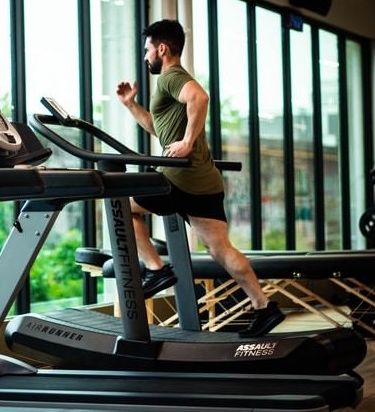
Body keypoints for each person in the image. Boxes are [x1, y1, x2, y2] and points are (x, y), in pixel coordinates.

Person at [116, 19, 284, 338]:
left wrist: (188, 142)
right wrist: (130, 105)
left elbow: (201, 98)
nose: (145, 56)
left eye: (147, 49)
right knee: (221, 249)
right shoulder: (171, 83)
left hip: (179, 178)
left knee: (121, 205)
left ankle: (156, 270)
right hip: (204, 181)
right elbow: (158, 127)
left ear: (161, 49)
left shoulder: (172, 77)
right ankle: (264, 306)